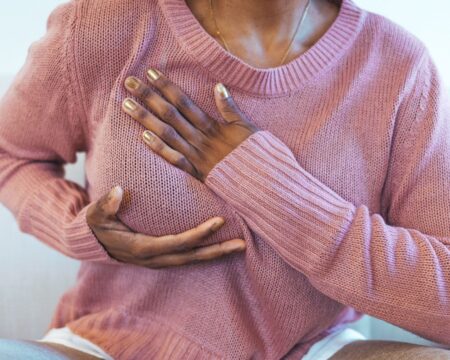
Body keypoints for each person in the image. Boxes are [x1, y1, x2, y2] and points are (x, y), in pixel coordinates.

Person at [0, 0, 449, 358]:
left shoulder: (399, 66)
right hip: (109, 343)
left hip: (310, 348)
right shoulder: (101, 25)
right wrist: (76, 226)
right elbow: (10, 155)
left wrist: (263, 182)